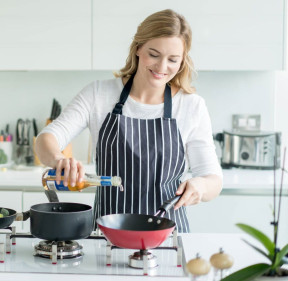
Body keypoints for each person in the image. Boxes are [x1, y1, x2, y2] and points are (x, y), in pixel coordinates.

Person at [35, 9, 223, 233]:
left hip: (168, 241)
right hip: (107, 238)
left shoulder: (192, 106)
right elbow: (46, 139)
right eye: (154, 54)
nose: (162, 68)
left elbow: (213, 180)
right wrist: (59, 160)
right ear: (137, 48)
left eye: (173, 59)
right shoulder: (99, 94)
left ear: (182, 61)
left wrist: (200, 185)